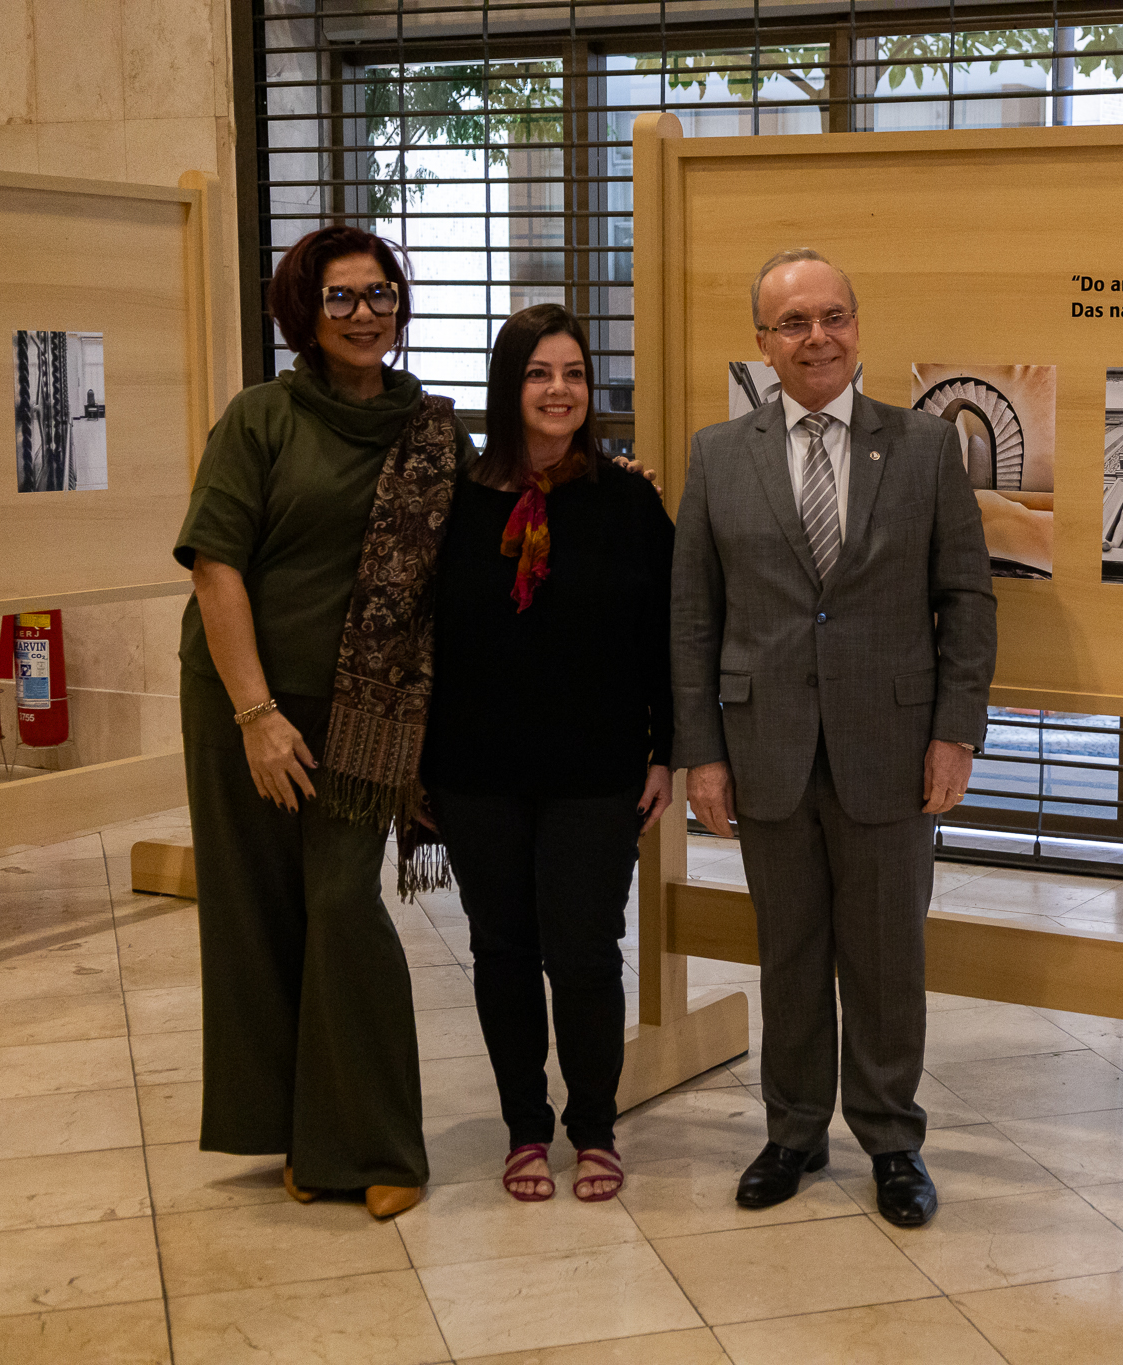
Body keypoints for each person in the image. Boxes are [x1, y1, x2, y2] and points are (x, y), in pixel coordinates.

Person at [671, 248, 997, 1227]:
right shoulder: (716, 455)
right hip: (763, 748)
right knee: (790, 954)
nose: (817, 337)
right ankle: (794, 1132)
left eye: (833, 317)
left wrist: (954, 733)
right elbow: (692, 617)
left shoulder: (925, 448)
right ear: (762, 342)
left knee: (889, 960)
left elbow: (966, 601)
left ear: (856, 325)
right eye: (793, 323)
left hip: (890, 750)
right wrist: (701, 752)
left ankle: (892, 1141)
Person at [175, 225, 471, 1220]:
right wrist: (256, 714)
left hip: (369, 712)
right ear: (304, 310)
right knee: (260, 914)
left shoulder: (431, 432)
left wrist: (610, 482)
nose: (364, 312)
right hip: (244, 699)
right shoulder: (260, 418)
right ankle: (299, 1136)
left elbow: (494, 528)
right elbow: (215, 565)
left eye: (379, 292)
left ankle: (376, 1143)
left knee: (342, 904)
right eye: (340, 296)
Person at [420, 304, 673, 1203]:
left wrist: (667, 750)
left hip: (597, 771)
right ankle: (525, 1127)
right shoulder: (452, 503)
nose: (559, 390)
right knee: (502, 949)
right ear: (508, 386)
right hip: (477, 769)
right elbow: (423, 638)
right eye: (538, 373)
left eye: (573, 373)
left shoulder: (630, 500)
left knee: (585, 951)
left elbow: (667, 635)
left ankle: (594, 1128)